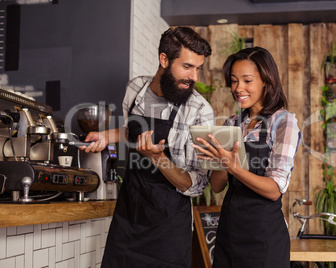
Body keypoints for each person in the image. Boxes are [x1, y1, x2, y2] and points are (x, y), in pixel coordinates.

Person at [81, 26, 214, 267]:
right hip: (128, 217)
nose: (194, 77)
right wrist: (106, 136)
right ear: (164, 59)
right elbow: (134, 132)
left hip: (168, 229)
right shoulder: (135, 89)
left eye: (198, 68)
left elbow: (198, 185)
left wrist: (158, 159)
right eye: (187, 67)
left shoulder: (200, 111)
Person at [193, 47, 301, 268]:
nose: (238, 88)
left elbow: (273, 190)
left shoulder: (284, 122)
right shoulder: (232, 123)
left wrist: (235, 169)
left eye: (247, 80)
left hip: (264, 238)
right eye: (234, 81)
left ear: (266, 82)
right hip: (229, 233)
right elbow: (216, 186)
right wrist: (219, 160)